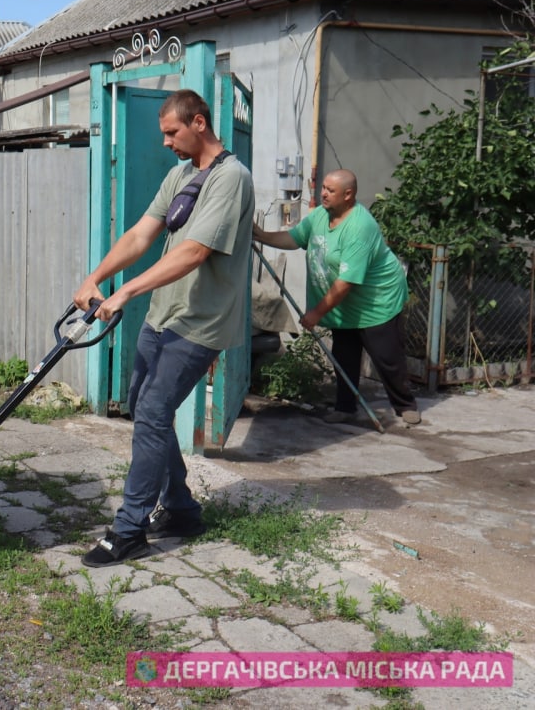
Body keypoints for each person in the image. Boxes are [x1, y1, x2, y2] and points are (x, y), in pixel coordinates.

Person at [73, 89, 254, 567]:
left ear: (199, 123)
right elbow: (141, 234)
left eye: (172, 132)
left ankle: (130, 528)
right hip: (163, 315)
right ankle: (180, 510)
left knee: (153, 413)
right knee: (142, 407)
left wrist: (125, 292)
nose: (166, 142)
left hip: (200, 322)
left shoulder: (231, 179)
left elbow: (195, 251)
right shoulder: (180, 175)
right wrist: (95, 277)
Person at [254, 168, 420, 426]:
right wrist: (261, 236)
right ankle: (345, 407)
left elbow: (346, 283)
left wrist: (316, 313)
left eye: (331, 191)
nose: (324, 194)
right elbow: (295, 238)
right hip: (344, 306)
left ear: (348, 194)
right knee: (344, 355)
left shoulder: (359, 227)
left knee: (387, 358)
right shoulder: (321, 215)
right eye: (323, 188)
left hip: (377, 301)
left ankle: (405, 404)